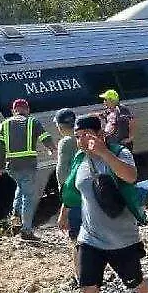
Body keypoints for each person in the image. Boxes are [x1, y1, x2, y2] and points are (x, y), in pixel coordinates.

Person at [59, 114, 148, 293]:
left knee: (135, 282)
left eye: (86, 136)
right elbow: (76, 188)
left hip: (122, 237)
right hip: (90, 237)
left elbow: (130, 177)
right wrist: (64, 211)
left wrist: (103, 152)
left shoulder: (119, 152)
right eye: (77, 136)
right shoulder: (79, 159)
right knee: (87, 285)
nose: (81, 141)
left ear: (100, 134)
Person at [0, 98, 54, 241]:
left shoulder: (5, 124)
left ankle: (15, 219)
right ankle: (26, 230)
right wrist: (51, 147)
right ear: (27, 109)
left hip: (12, 167)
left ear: (14, 111)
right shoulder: (33, 122)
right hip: (28, 165)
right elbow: (45, 137)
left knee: (20, 189)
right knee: (28, 197)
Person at [54, 109, 81, 281]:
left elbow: (63, 173)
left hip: (74, 196)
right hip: (87, 192)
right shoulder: (83, 138)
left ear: (60, 126)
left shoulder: (66, 142)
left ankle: (80, 277)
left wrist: (64, 203)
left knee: (77, 239)